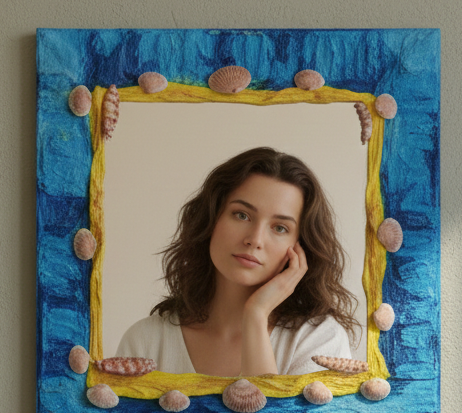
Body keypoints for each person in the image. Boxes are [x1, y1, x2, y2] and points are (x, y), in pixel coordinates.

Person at [116, 147, 359, 376]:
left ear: (300, 246)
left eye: (280, 228)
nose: (255, 239)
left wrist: (256, 315)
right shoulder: (145, 341)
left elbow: (265, 410)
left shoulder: (319, 341)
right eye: (242, 215)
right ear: (211, 218)